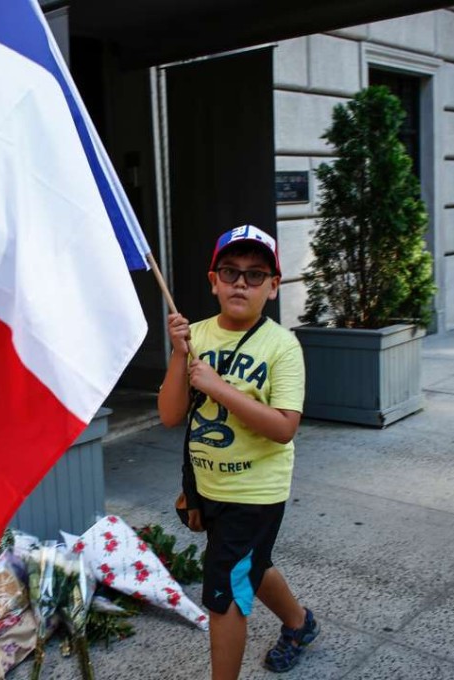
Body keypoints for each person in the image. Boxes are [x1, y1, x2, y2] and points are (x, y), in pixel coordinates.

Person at [157, 224, 318, 678]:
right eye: (230, 272)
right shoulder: (197, 336)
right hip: (209, 483)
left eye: (254, 274)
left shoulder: (282, 346)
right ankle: (299, 623)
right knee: (253, 562)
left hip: (257, 491)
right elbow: (171, 416)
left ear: (273, 286)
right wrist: (177, 355)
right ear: (213, 280)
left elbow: (284, 428)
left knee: (225, 583)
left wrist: (218, 387)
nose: (241, 283)